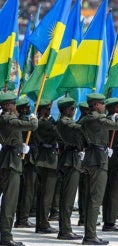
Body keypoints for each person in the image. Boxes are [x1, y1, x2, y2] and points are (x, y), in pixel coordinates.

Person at [80, 93, 118, 245]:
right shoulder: (98, 118)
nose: (104, 107)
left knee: (90, 198)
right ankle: (90, 236)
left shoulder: (85, 119)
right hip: (99, 160)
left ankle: (89, 233)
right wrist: (116, 116)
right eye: (103, 104)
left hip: (90, 157)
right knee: (95, 199)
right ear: (97, 105)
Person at [0, 93, 38, 246]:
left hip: (9, 158)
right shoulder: (8, 118)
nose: (15, 107)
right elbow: (32, 126)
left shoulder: (7, 118)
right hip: (11, 162)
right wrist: (33, 117)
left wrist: (19, 145)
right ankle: (6, 236)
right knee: (10, 200)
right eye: (13, 104)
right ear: (8, 105)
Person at [56, 96, 83, 240]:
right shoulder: (64, 122)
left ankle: (65, 229)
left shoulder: (67, 121)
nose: (74, 111)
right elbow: (79, 128)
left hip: (71, 159)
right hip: (69, 161)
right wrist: (89, 117)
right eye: (72, 108)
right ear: (66, 110)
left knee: (69, 197)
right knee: (68, 198)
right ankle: (65, 230)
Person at [102, 98, 118, 232]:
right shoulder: (115, 121)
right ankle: (110, 222)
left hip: (110, 157)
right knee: (114, 191)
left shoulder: (106, 119)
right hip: (117, 158)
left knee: (109, 191)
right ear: (115, 108)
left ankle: (108, 219)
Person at [34, 99, 59, 234]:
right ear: (42, 110)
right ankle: (43, 224)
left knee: (43, 194)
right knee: (46, 196)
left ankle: (41, 223)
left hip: (43, 160)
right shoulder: (43, 123)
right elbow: (56, 130)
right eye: (47, 109)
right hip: (47, 161)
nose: (49, 111)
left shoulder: (41, 121)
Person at [14, 97, 38, 228]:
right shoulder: (24, 122)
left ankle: (21, 217)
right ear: (22, 109)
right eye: (27, 108)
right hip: (26, 160)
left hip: (24, 158)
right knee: (27, 190)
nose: (29, 110)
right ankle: (22, 218)